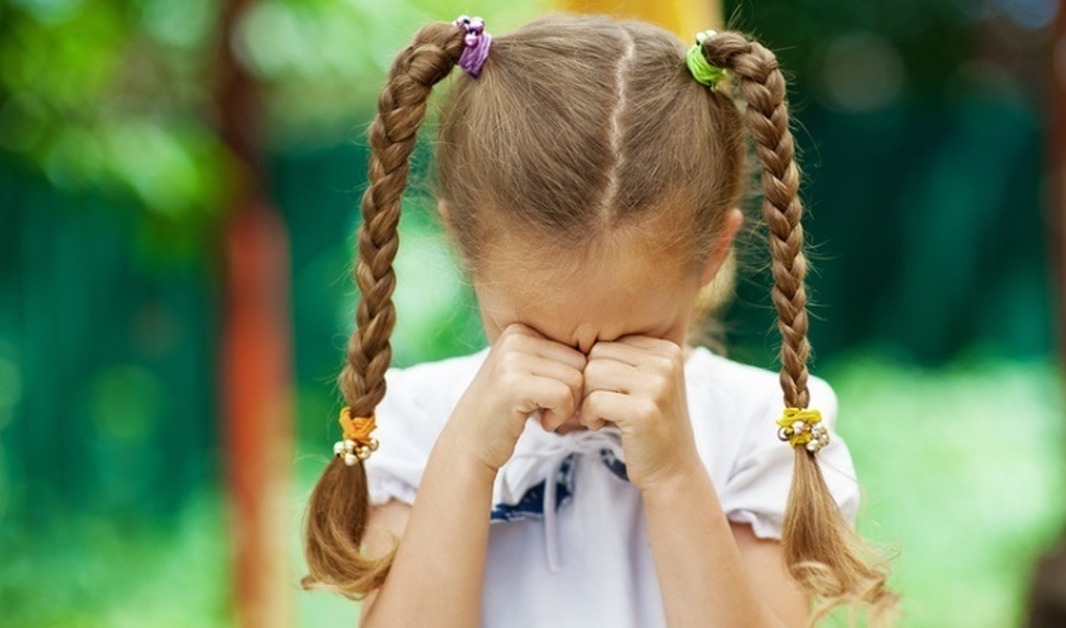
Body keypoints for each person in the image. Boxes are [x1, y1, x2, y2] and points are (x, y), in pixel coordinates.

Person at [303, 13, 894, 627]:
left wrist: (674, 476)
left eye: (636, 340)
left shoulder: (757, 432)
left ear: (712, 256)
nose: (579, 390)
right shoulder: (418, 423)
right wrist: (464, 462)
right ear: (461, 245)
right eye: (533, 338)